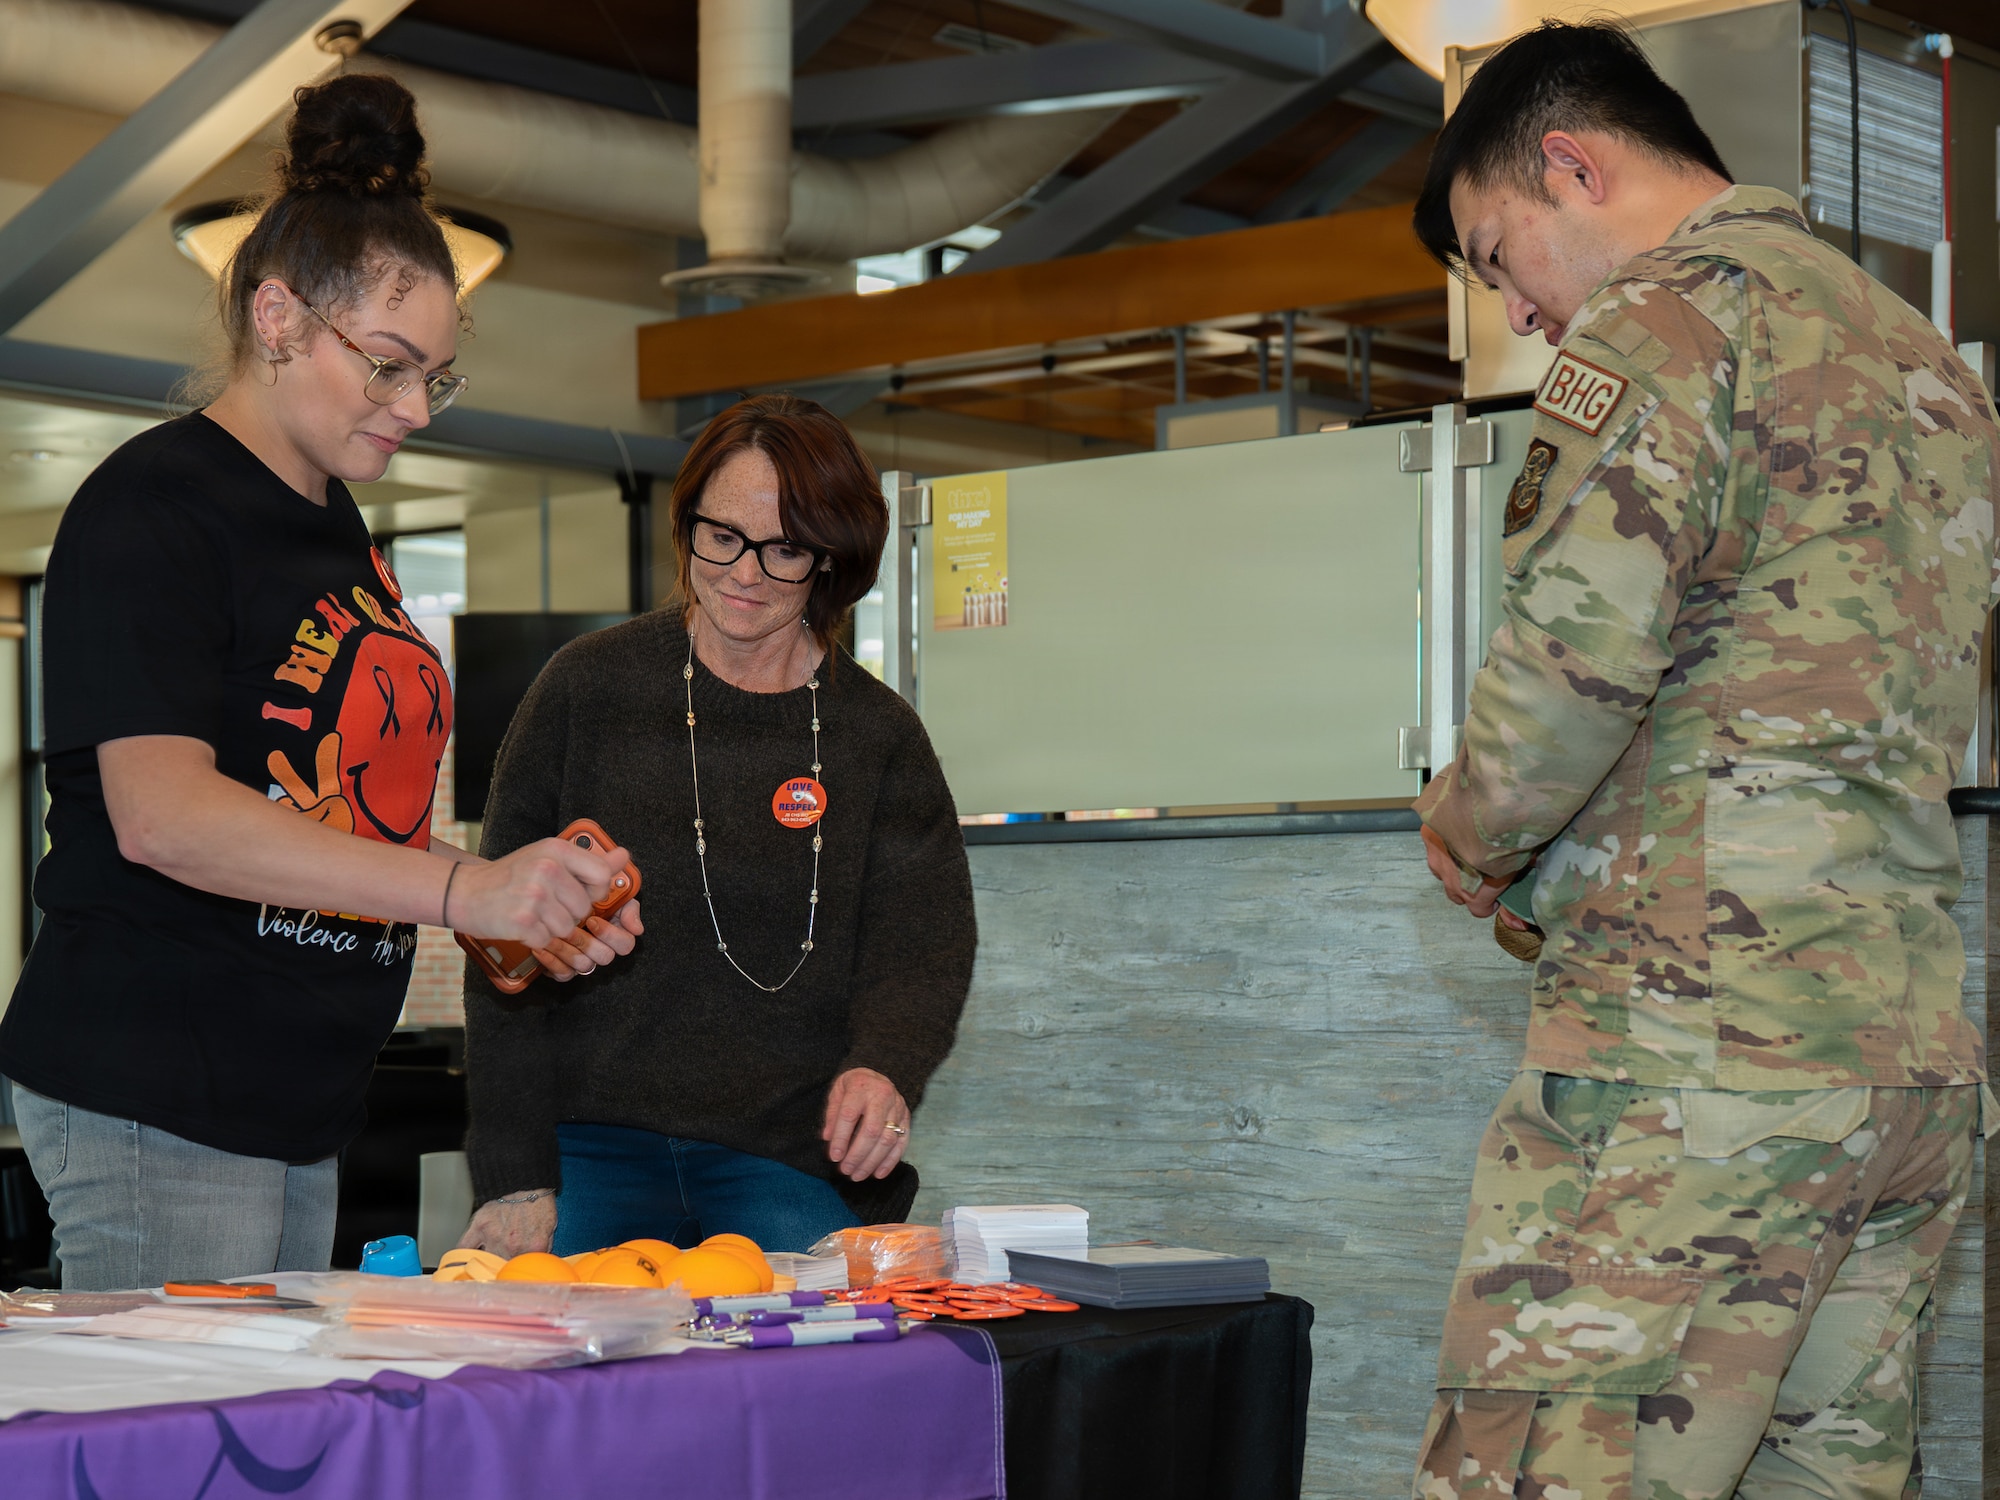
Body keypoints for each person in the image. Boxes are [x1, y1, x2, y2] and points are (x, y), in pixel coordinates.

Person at [1405, 22, 1999, 1499]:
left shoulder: (1667, 324)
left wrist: (1468, 827)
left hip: (1692, 1068)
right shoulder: (1924, 358)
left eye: (1498, 255)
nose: (1524, 312)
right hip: (1903, 1061)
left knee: (1540, 1472)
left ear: (1571, 164)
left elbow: (1569, 675)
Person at [0, 74, 640, 1292]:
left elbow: (346, 807)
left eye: (435, 380)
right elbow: (163, 816)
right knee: (186, 1463)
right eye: (389, 366)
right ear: (279, 314)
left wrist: (529, 911)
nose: (415, 410)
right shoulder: (158, 504)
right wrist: (466, 891)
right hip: (164, 1082)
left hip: (298, 1092)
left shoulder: (334, 528)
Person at [456, 394, 976, 1259]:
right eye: (721, 535)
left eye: (785, 549)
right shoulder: (587, 689)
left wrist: (885, 1064)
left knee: (819, 1370)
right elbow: (499, 940)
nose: (745, 572)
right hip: (587, 1144)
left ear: (831, 559)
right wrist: (513, 1175)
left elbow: (923, 945)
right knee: (550, 1365)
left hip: (788, 1155)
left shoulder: (877, 737)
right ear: (688, 521)